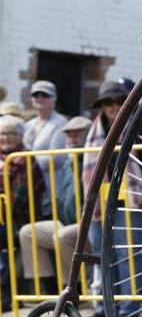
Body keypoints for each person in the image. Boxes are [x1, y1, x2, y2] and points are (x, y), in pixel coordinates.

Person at [83, 81, 142, 317]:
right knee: (100, 251)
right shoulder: (94, 130)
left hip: (130, 194)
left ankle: (131, 306)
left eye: (120, 101)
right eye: (109, 102)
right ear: (101, 105)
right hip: (100, 198)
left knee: (127, 251)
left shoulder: (138, 124)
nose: (115, 106)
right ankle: (104, 305)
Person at [18, 116, 92, 291]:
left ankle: (73, 288)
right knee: (28, 232)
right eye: (69, 136)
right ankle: (50, 290)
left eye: (77, 135)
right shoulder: (68, 162)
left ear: (88, 137)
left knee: (63, 236)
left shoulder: (92, 161)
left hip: (91, 226)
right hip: (68, 221)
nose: (72, 140)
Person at [0, 115, 46, 301]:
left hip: (19, 219)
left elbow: (19, 198)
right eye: (2, 133)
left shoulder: (25, 160)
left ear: (20, 136)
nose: (6, 137)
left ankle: (5, 294)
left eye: (11, 133)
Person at [23, 81, 68, 216]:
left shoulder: (60, 123)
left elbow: (55, 158)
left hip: (51, 186)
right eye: (36, 95)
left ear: (54, 98)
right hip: (30, 185)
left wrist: (25, 162)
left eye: (45, 95)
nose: (40, 98)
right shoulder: (28, 124)